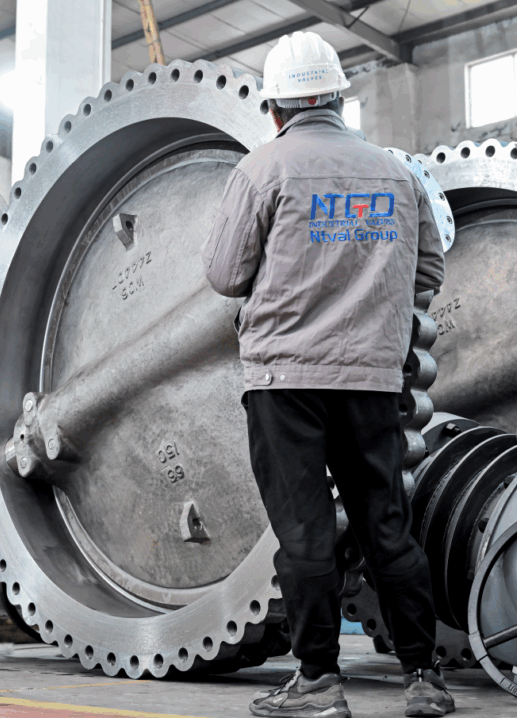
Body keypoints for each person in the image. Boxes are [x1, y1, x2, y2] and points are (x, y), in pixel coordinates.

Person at [201, 31, 453, 718]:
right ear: (341, 99)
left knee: (306, 533)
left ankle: (317, 683)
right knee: (386, 526)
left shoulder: (263, 169)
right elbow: (428, 271)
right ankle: (424, 679)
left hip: (285, 381)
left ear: (276, 107)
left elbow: (224, 274)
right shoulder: (396, 174)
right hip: (372, 380)